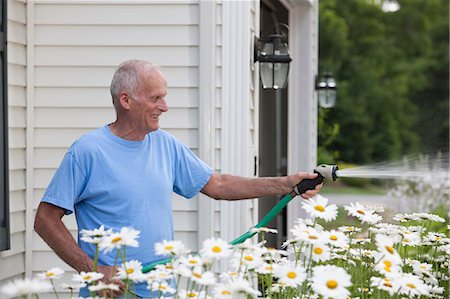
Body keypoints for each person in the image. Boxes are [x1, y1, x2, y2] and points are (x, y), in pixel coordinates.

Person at [34, 59, 322, 298]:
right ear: (126, 100)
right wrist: (92, 270)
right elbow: (46, 219)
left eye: (164, 96)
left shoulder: (165, 145)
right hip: (114, 292)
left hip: (163, 289)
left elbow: (218, 185)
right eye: (155, 98)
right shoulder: (88, 151)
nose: (165, 106)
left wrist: (285, 183)